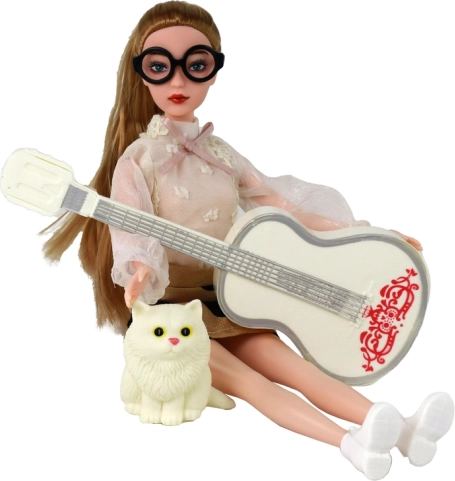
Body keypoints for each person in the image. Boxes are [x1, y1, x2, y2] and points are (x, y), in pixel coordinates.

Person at [41, 2, 453, 480]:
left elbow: (285, 207)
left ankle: (402, 431)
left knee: (296, 369)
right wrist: (140, 268)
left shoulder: (221, 153)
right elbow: (131, 227)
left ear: (214, 71)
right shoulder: (139, 159)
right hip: (173, 312)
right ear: (142, 74)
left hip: (234, 296)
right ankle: (349, 445)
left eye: (196, 65)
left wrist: (364, 233)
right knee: (253, 384)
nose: (178, 81)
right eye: (160, 67)